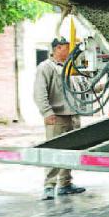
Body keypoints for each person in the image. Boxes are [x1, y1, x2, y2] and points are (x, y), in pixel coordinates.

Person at [34, 37, 86, 200]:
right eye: (66, 48)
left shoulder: (69, 68)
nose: (69, 51)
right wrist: (47, 112)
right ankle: (49, 186)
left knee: (70, 151)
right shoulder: (46, 67)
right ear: (57, 49)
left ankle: (65, 184)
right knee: (54, 151)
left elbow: (80, 87)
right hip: (57, 117)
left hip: (72, 115)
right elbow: (39, 92)